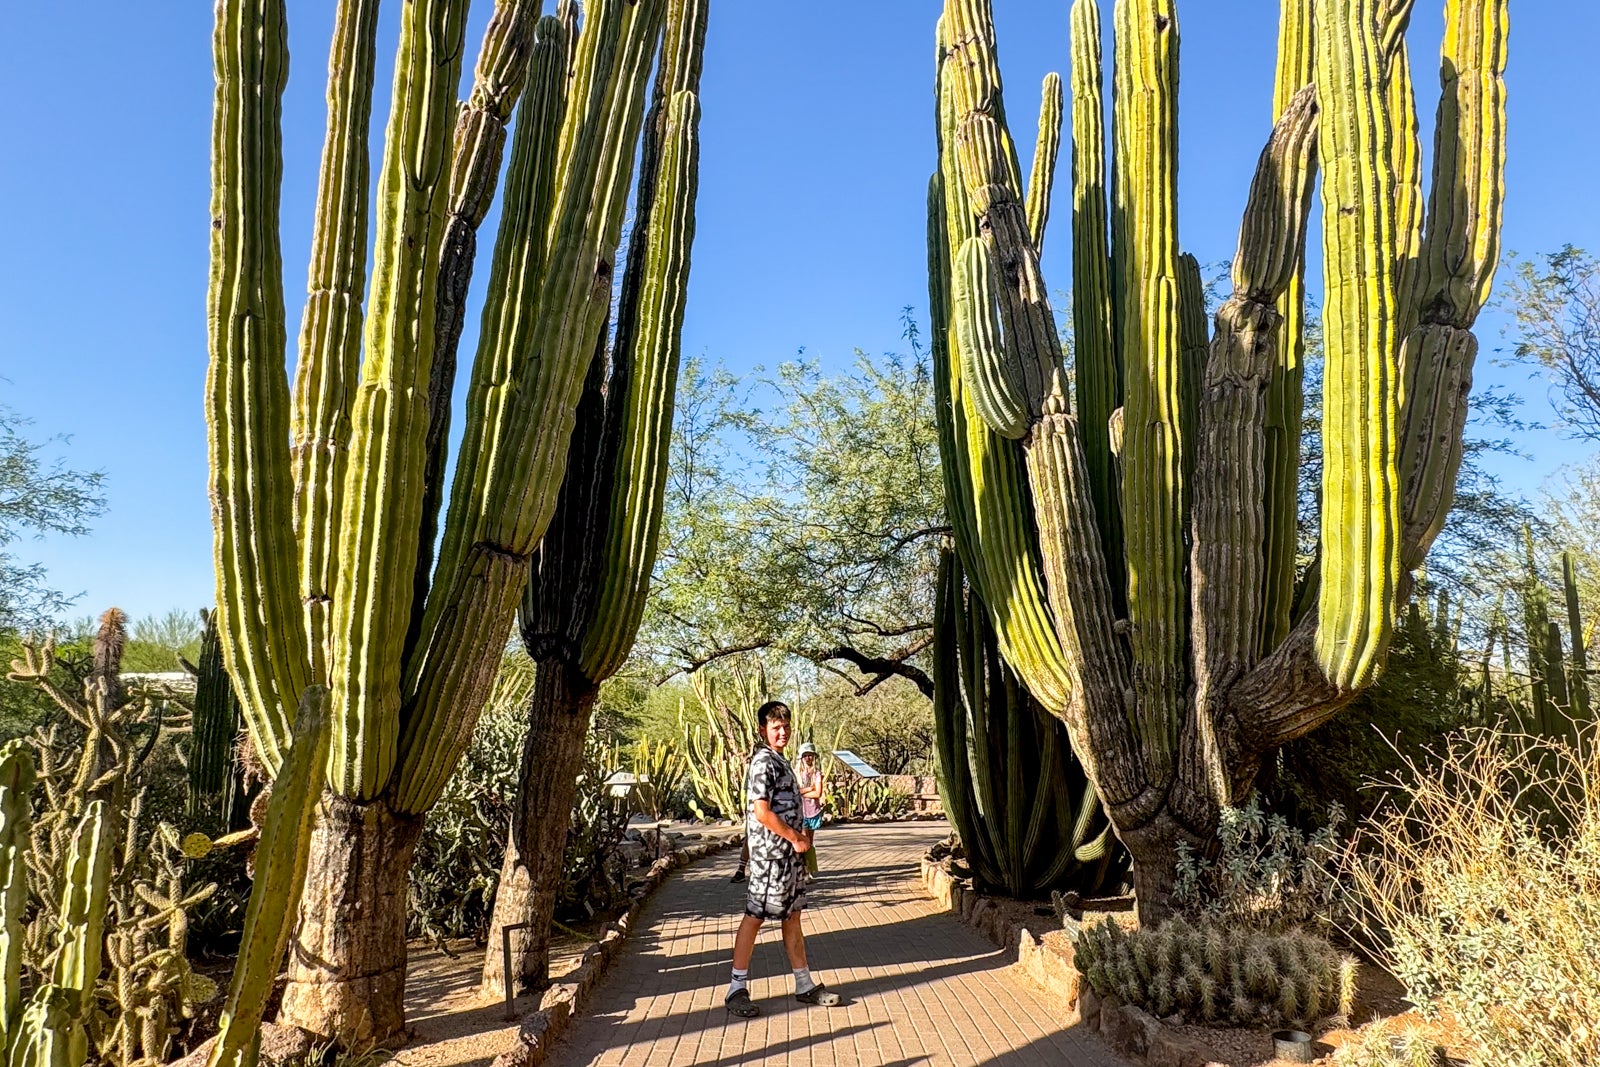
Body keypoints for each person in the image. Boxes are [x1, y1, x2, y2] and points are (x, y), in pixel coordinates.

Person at [725, 701, 841, 1017]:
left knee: (793, 915)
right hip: (770, 857)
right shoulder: (763, 763)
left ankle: (804, 984)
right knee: (755, 915)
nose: (783, 732)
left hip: (789, 857)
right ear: (763, 729)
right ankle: (736, 988)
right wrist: (794, 837)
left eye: (786, 726)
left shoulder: (781, 762)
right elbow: (761, 811)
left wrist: (799, 841)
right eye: (776, 727)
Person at [795, 742, 824, 878]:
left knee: (810, 841)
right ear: (801, 758)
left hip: (813, 811)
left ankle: (810, 868)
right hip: (800, 811)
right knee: (804, 839)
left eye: (810, 755)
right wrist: (809, 789)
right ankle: (804, 870)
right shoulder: (796, 773)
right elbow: (794, 790)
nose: (808, 758)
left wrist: (802, 792)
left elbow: (818, 793)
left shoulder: (816, 773)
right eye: (805, 756)